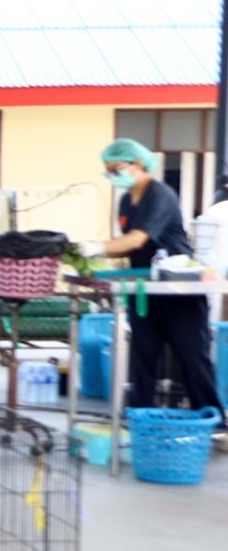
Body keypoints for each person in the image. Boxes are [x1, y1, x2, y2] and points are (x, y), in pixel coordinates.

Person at [80, 138, 223, 416]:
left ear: (138, 163)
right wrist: (90, 253)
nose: (113, 176)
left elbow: (137, 239)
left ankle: (212, 419)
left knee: (192, 358)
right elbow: (128, 246)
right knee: (143, 360)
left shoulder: (160, 195)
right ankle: (140, 418)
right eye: (109, 172)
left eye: (117, 169)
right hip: (145, 291)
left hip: (178, 289)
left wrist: (98, 247)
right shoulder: (126, 201)